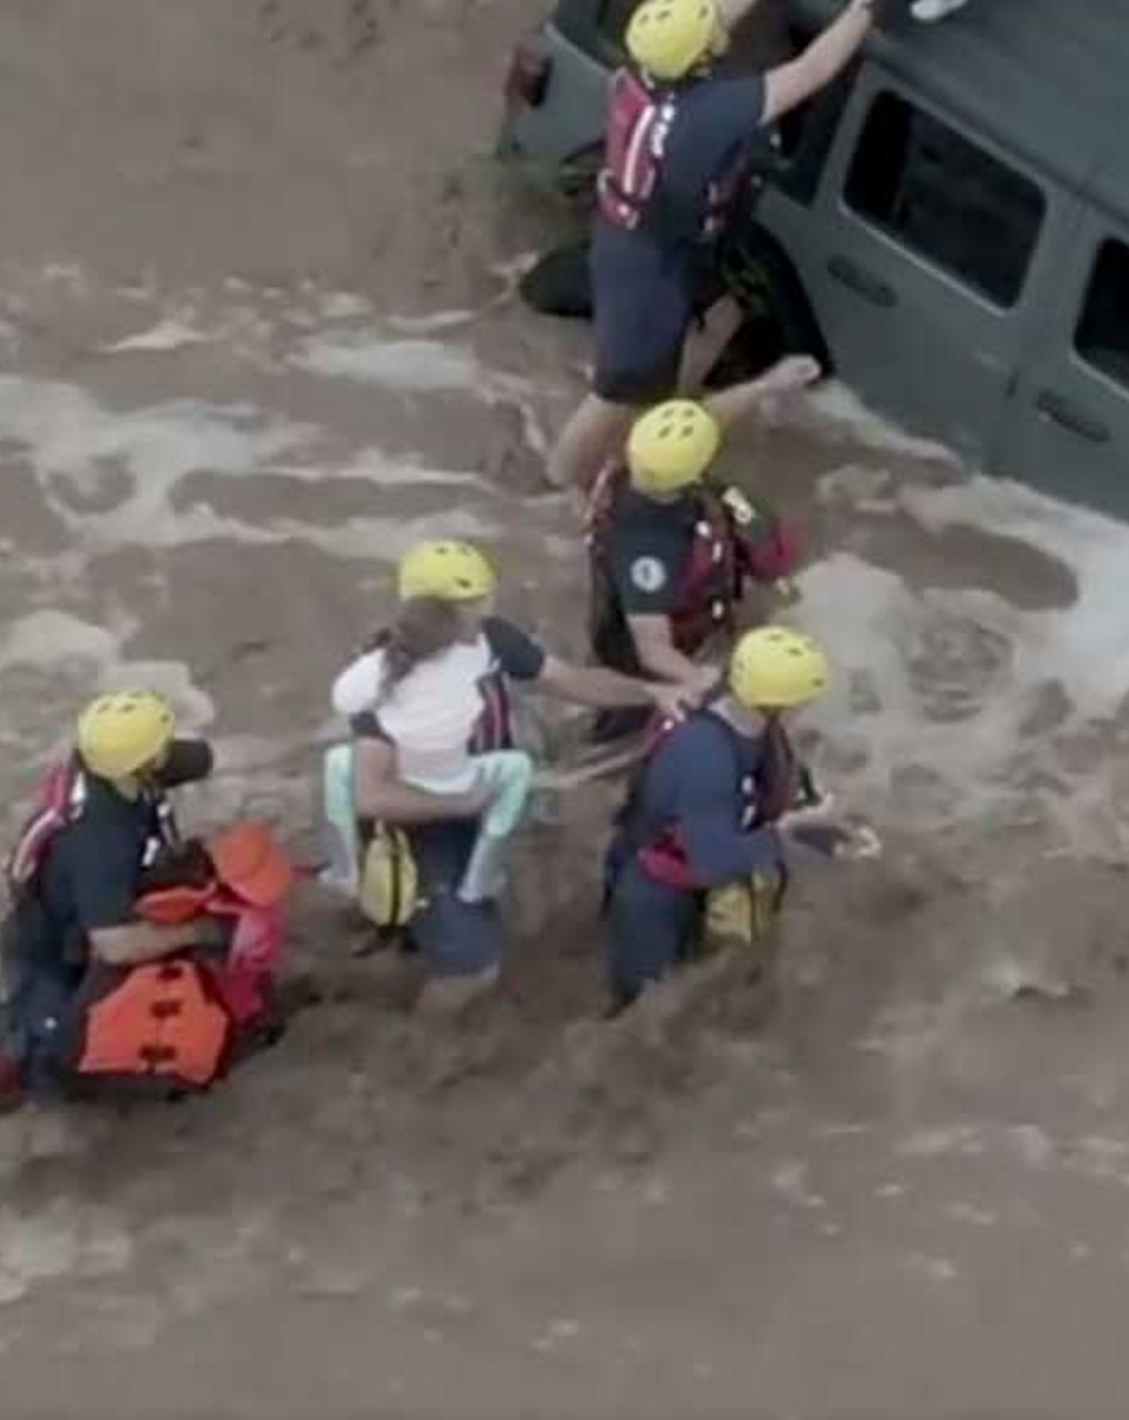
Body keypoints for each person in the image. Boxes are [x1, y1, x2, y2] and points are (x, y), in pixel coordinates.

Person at [545, 0, 921, 490]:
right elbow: (815, 69)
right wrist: (871, 3)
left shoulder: (644, 71)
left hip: (654, 233)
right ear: (697, 59)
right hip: (644, 263)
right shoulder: (707, 117)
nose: (720, 25)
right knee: (615, 388)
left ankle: (673, 412)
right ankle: (559, 482)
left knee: (721, 316)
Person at [319, 538, 683, 1012]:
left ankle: (409, 935)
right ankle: (420, 1044)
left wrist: (655, 694)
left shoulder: (491, 638)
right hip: (420, 832)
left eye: (484, 598)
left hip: (475, 801)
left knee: (447, 919)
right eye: (473, 603)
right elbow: (373, 795)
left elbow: (571, 681)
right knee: (474, 971)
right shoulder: (386, 687)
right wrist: (465, 803)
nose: (487, 609)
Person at [0, 689, 293, 1106]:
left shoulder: (113, 763)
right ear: (138, 765)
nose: (167, 755)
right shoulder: (99, 840)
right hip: (57, 951)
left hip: (95, 908)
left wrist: (322, 738)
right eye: (158, 751)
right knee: (51, 1062)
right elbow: (115, 944)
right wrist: (206, 929)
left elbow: (224, 756)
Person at [599, 625, 874, 1011]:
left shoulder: (757, 725)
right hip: (654, 893)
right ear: (781, 705)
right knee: (645, 1011)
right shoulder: (704, 757)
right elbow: (712, 862)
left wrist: (831, 838)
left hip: (699, 869)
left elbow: (784, 797)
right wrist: (787, 835)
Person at [580, 378, 819, 746]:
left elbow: (704, 419)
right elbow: (652, 648)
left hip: (698, 614)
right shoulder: (648, 551)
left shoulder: (644, 456)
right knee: (627, 731)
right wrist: (702, 683)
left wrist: (768, 383)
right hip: (645, 649)